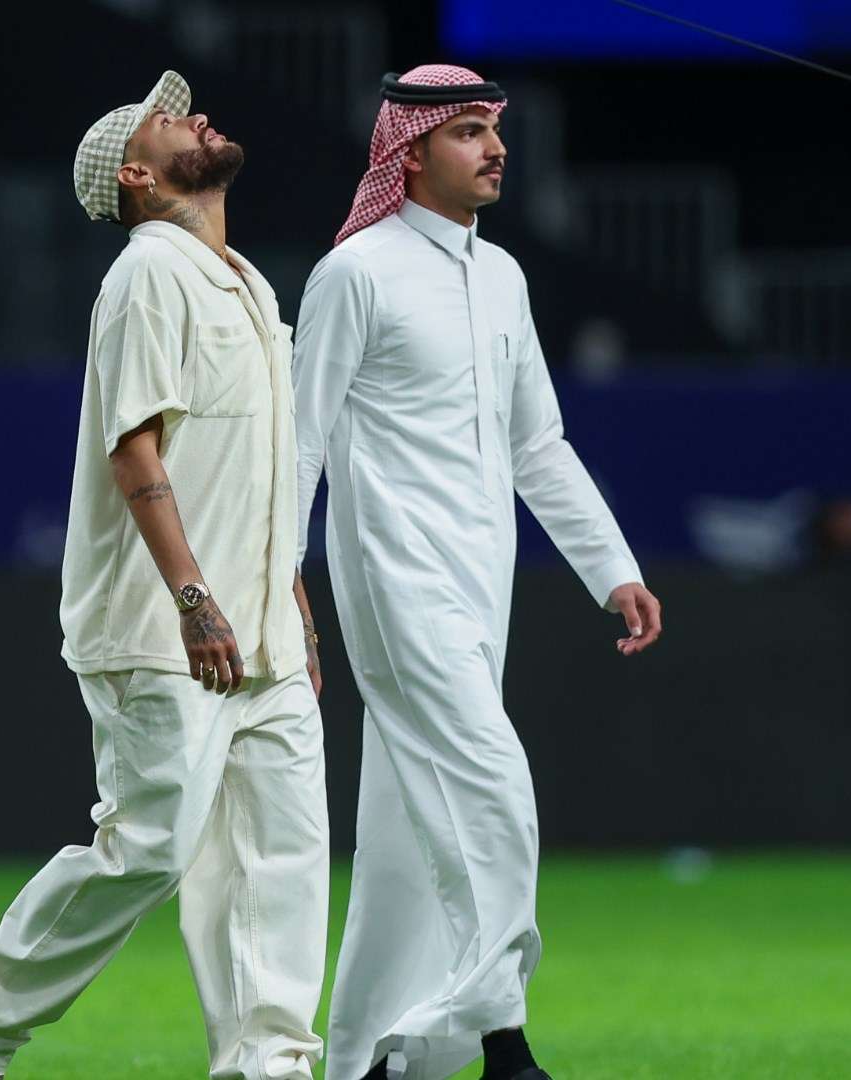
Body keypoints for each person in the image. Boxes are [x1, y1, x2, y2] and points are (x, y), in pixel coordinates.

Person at [0, 71, 330, 1080]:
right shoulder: (148, 273)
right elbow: (134, 450)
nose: (196, 115)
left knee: (276, 865)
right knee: (148, 849)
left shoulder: (250, 281)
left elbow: (265, 474)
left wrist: (296, 612)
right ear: (135, 175)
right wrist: (195, 599)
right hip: (166, 633)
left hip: (263, 637)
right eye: (168, 119)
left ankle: (269, 1064)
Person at [292, 65, 664, 1080]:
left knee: (409, 844)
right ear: (408, 150)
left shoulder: (503, 277)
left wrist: (610, 567)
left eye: (494, 130)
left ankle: (365, 1060)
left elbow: (537, 443)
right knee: (493, 786)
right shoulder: (355, 272)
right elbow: (299, 442)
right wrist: (280, 575)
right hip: (391, 575)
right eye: (467, 131)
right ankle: (501, 1037)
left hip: (480, 579)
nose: (495, 148)